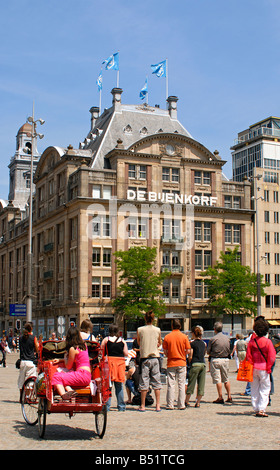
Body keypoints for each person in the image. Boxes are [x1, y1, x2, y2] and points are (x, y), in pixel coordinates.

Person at [246, 317, 276, 417]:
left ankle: (256, 407)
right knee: (265, 388)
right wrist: (269, 367)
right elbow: (272, 357)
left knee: (254, 388)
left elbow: (248, 356)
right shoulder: (267, 342)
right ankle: (262, 408)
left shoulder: (252, 342)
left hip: (254, 367)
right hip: (264, 367)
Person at [52, 326, 91, 400]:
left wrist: (64, 358)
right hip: (87, 375)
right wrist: (61, 360)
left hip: (81, 375)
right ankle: (70, 391)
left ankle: (64, 395)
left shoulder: (73, 349)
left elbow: (68, 366)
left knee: (56, 377)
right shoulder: (84, 346)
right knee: (64, 378)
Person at [137, 310, 162, 412]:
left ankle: (143, 405)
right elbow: (159, 342)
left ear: (144, 318)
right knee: (156, 382)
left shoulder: (140, 329)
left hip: (145, 358)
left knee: (144, 382)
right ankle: (158, 405)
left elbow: (139, 342)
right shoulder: (157, 330)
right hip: (155, 357)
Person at [162, 319, 191, 410]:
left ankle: (170, 404)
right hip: (181, 362)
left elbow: (165, 351)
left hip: (171, 362)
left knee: (171, 384)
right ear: (180, 326)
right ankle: (181, 404)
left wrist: (170, 354)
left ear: (172, 326)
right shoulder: (184, 337)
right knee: (181, 384)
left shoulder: (167, 337)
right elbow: (188, 350)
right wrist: (182, 354)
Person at [101, 324, 128, 411]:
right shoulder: (122, 341)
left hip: (109, 363)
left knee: (108, 386)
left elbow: (101, 351)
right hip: (119, 364)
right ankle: (121, 406)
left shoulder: (106, 340)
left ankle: (107, 406)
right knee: (119, 386)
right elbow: (126, 353)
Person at [207, 321, 232, 404]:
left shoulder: (213, 339)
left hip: (216, 359)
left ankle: (220, 396)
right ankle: (229, 396)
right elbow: (229, 350)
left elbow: (208, 351)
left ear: (214, 329)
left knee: (218, 379)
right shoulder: (227, 338)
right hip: (225, 359)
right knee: (226, 378)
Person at [185, 326, 207, 408]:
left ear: (194, 333)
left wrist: (189, 362)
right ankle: (198, 402)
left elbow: (190, 355)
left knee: (191, 383)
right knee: (201, 384)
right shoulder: (203, 343)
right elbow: (204, 353)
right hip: (203, 364)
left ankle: (186, 401)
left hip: (195, 364)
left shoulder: (192, 343)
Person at [18, 323, 39, 394]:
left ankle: (21, 397)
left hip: (22, 362)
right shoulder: (33, 338)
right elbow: (37, 349)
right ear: (31, 329)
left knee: (21, 381)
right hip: (30, 362)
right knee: (30, 382)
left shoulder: (20, 338)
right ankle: (26, 397)